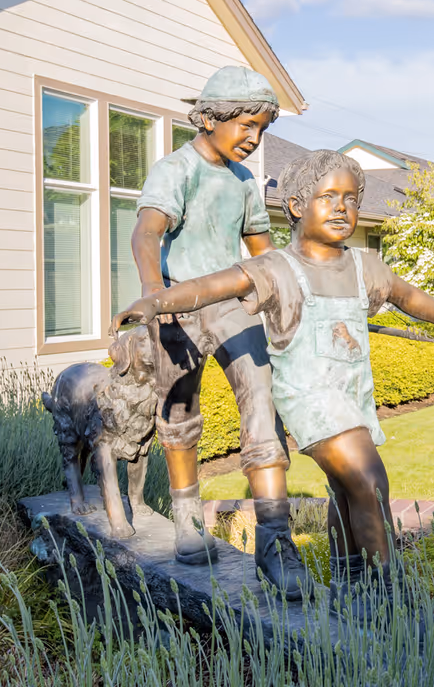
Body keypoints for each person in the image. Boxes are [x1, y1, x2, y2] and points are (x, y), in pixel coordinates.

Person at [112, 150, 434, 610]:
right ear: (294, 205)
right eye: (327, 196)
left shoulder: (363, 265)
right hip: (309, 396)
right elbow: (212, 286)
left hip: (353, 395)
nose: (341, 207)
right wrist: (158, 300)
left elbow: (406, 294)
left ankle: (352, 589)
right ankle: (388, 597)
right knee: (370, 482)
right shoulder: (277, 268)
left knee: (347, 490)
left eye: (351, 198)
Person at [129, 65, 310, 599]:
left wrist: (300, 282)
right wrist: (153, 299)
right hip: (179, 307)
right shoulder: (175, 170)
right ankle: (187, 521)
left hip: (233, 304)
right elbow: (146, 233)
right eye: (246, 127)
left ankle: (275, 541)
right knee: (179, 409)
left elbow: (263, 251)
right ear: (209, 118)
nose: (254, 140)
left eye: (262, 130)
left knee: (261, 401)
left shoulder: (245, 182)